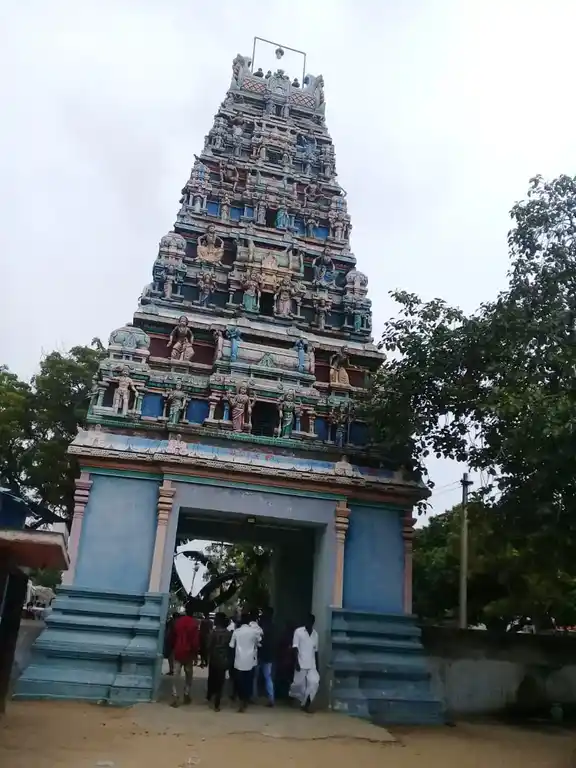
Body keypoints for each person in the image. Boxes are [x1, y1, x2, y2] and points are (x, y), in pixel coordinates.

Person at [229, 613, 261, 712]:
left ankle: (241, 700)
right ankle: (246, 700)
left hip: (238, 661)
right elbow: (258, 643)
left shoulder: (236, 632)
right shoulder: (254, 632)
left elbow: (231, 646)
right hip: (250, 661)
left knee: (239, 682)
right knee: (248, 682)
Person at [170, 603, 200, 707]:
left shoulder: (178, 622)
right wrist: (196, 655)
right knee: (188, 675)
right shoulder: (194, 623)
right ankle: (186, 693)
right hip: (189, 653)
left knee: (176, 675)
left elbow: (173, 637)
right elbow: (195, 641)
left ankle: (175, 696)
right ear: (194, 612)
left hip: (178, 651)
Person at [290, 614, 320, 712]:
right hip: (301, 663)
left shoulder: (315, 634)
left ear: (313, 623)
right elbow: (295, 648)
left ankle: (307, 704)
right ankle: (298, 699)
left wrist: (318, 667)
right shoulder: (298, 632)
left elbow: (316, 652)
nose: (309, 623)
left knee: (314, 682)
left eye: (311, 622)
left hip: (312, 665)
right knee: (298, 684)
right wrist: (296, 662)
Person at [206, 612, 232, 711]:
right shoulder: (229, 634)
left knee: (212, 679)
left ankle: (210, 697)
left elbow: (208, 646)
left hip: (214, 660)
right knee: (220, 682)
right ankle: (217, 703)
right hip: (224, 660)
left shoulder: (213, 633)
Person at [256, 606, 276, 706]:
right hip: (269, 655)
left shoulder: (262, 626)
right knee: (268, 677)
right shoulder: (273, 626)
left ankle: (253, 696)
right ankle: (271, 698)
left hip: (260, 654)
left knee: (255, 676)